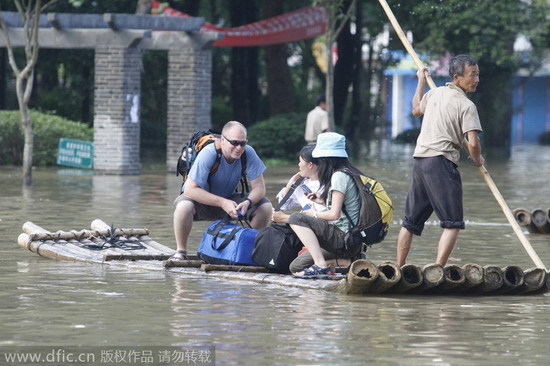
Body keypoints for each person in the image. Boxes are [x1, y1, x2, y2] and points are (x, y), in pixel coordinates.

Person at [396, 54, 485, 267]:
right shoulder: (466, 105)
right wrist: (476, 159)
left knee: (410, 223)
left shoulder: (435, 94)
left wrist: (420, 81)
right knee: (452, 223)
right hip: (441, 163)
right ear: (457, 77)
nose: (477, 79)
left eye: (478, 74)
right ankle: (438, 269)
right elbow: (472, 143)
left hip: (420, 161)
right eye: (472, 75)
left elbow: (416, 108)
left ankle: (398, 267)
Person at [171, 121, 272, 260]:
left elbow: (260, 188)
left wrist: (248, 202)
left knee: (265, 206)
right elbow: (189, 190)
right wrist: (222, 202)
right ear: (223, 140)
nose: (239, 148)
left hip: (229, 201)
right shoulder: (209, 153)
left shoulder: (248, 153)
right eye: (234, 142)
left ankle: (247, 251)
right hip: (200, 201)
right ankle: (181, 252)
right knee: (183, 206)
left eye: (243, 143)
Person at [273, 132, 363, 277]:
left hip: (344, 238)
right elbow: (343, 210)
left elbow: (334, 214)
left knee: (297, 218)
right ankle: (343, 262)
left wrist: (312, 214)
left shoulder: (339, 176)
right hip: (347, 240)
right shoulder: (346, 173)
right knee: (296, 267)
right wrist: (321, 201)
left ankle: (321, 265)